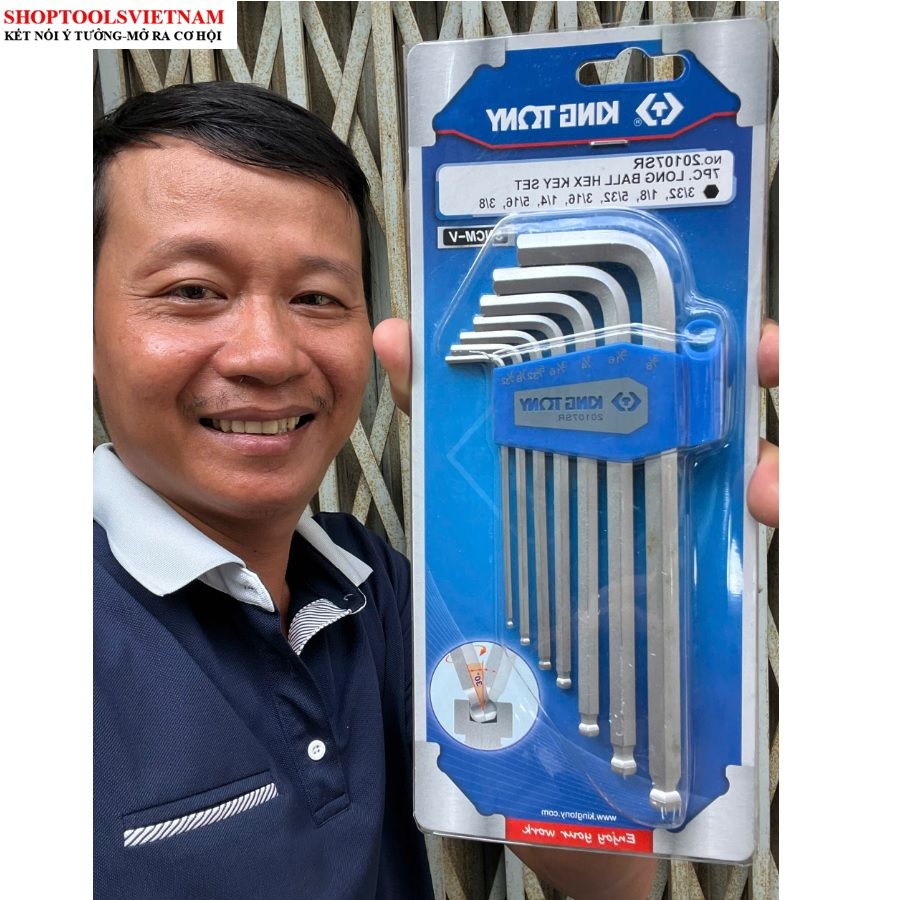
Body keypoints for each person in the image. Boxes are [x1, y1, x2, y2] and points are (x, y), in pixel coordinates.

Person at [94, 80, 778, 900]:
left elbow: (607, 880)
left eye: (316, 298)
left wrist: (637, 568)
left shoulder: (370, 590)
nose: (267, 354)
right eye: (193, 291)